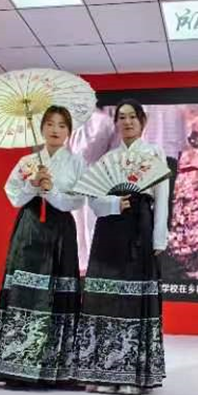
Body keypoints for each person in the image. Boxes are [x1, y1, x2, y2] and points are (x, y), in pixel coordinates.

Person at [0, 105, 86, 386]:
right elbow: (14, 196)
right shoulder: (26, 162)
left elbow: (78, 200)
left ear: (69, 131)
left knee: (56, 293)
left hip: (60, 230)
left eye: (62, 125)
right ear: (41, 128)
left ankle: (56, 369)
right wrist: (32, 186)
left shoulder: (77, 162)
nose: (55, 130)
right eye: (50, 124)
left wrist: (52, 191)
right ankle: (16, 365)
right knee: (25, 292)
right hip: (30, 228)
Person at [75, 100, 168, 395]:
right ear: (115, 123)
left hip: (139, 228)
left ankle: (130, 375)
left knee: (131, 300)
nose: (127, 122)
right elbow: (94, 201)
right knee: (105, 299)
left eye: (132, 117)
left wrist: (159, 238)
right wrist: (114, 204)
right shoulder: (108, 158)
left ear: (142, 121)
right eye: (122, 117)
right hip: (109, 230)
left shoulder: (154, 154)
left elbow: (162, 198)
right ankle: (101, 372)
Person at [69, 109, 117, 274]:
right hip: (94, 175)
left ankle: (85, 262)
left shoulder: (76, 120)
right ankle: (90, 262)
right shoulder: (104, 121)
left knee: (84, 221)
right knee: (87, 221)